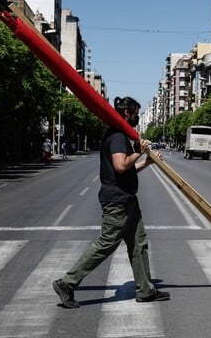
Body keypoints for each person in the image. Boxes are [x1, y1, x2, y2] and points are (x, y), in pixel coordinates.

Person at [53, 96, 169, 308]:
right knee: (106, 243)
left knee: (138, 244)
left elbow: (128, 169)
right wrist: (138, 151)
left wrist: (147, 162)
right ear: (127, 113)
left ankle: (145, 289)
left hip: (127, 200)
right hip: (117, 201)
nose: (135, 118)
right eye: (135, 114)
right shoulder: (117, 136)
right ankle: (67, 283)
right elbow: (121, 166)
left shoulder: (121, 135)